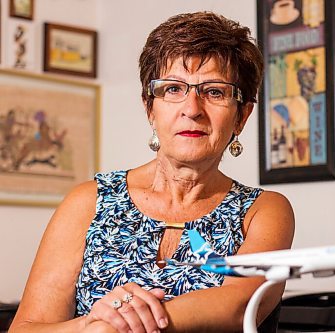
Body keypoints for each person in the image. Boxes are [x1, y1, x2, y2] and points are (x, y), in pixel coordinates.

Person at [9, 11, 295, 333]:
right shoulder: (87, 201)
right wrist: (92, 326)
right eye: (173, 89)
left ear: (242, 115)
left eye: (214, 91)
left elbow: (241, 306)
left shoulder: (264, 210)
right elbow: (27, 329)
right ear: (150, 107)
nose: (192, 109)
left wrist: (122, 325)